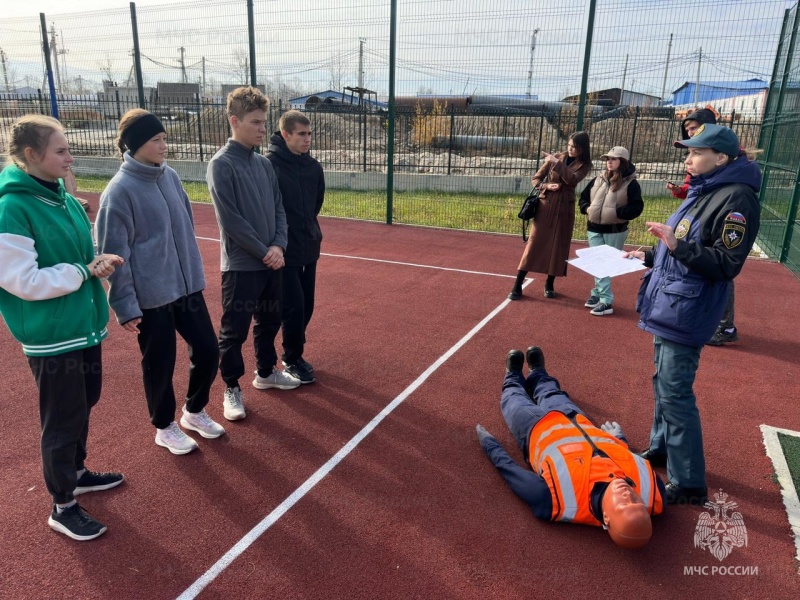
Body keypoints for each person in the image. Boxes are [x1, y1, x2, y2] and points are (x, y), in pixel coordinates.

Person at [0, 115, 125, 541]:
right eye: (61, 151)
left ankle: (76, 471)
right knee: (62, 416)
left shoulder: (64, 199)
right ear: (32, 155)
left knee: (86, 400)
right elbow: (23, 281)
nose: (70, 158)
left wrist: (97, 263)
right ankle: (62, 504)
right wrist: (83, 270)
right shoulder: (12, 207)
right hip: (51, 335)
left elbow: (83, 256)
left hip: (83, 324)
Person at [627, 124, 761, 504]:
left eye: (694, 152)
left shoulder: (736, 198)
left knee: (675, 392)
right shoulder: (705, 191)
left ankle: (688, 483)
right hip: (671, 304)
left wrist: (675, 244)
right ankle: (662, 449)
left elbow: (726, 262)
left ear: (720, 157)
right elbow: (683, 245)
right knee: (662, 384)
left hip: (688, 309)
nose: (687, 159)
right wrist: (650, 254)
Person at [96, 109, 224, 454]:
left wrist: (192, 270)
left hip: (186, 287)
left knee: (209, 351)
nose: (165, 145)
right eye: (157, 139)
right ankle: (164, 425)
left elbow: (186, 228)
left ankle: (193, 411)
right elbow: (113, 253)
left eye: (165, 137)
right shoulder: (119, 191)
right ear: (136, 144)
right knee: (160, 362)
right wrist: (124, 305)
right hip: (151, 296)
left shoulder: (170, 177)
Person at [477, 347, 665, 549]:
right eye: (637, 502)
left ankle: (512, 377)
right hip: (576, 419)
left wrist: (488, 443)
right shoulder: (653, 491)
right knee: (550, 391)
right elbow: (630, 460)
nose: (628, 495)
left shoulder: (557, 500)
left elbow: (509, 470)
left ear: (607, 519)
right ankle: (537, 373)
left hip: (534, 429)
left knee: (513, 400)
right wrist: (619, 439)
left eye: (624, 504)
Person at [207, 86, 300, 422]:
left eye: (264, 122)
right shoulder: (221, 164)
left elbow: (279, 209)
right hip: (242, 267)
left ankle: (266, 372)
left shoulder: (263, 165)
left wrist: (278, 246)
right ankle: (231, 387)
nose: (263, 129)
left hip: (270, 261)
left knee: (270, 320)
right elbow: (231, 220)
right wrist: (265, 251)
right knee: (234, 330)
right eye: (256, 122)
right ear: (235, 121)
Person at [667, 107, 740, 346]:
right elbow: (694, 190)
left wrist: (678, 245)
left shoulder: (733, 189)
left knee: (720, 277)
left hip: (711, 233)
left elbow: (725, 263)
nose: (689, 132)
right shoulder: (703, 167)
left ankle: (725, 326)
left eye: (693, 128)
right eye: (687, 129)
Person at [265, 110, 325, 384]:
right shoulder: (270, 165)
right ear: (285, 134)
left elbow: (316, 204)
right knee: (293, 306)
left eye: (309, 133)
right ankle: (291, 357)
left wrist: (310, 231)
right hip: (284, 250)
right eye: (301, 134)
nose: (307, 139)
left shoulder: (313, 167)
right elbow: (268, 209)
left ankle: (295, 353)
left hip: (308, 246)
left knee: (308, 305)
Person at [508, 131, 592, 300]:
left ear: (582, 149)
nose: (570, 149)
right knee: (533, 245)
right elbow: (536, 179)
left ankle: (549, 283)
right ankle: (517, 284)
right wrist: (546, 185)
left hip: (564, 210)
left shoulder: (585, 164)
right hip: (545, 207)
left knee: (558, 247)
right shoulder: (557, 157)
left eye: (574, 147)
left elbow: (572, 180)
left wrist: (556, 163)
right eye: (569, 145)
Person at [578, 146, 643, 316]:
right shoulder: (598, 179)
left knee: (603, 265)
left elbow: (637, 207)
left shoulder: (631, 183)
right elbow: (583, 198)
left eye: (613, 159)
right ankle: (597, 293)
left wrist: (617, 213)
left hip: (615, 230)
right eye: (608, 159)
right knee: (597, 263)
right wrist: (587, 209)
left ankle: (606, 301)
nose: (609, 162)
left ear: (622, 162)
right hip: (594, 228)